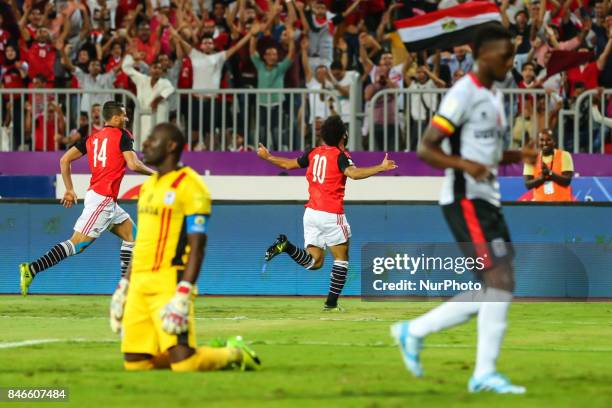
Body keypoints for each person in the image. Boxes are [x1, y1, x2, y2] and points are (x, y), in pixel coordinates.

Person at [392, 24, 537, 394]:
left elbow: (483, 154)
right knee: (500, 282)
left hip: (487, 197)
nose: (510, 61)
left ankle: (413, 331)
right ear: (482, 54)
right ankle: (483, 374)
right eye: (504, 54)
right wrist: (464, 167)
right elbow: (427, 147)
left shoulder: (493, 95)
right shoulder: (463, 93)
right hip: (465, 198)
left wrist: (516, 155)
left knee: (495, 287)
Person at [109, 122, 261, 372]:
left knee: (185, 364)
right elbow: (142, 242)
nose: (144, 144)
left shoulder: (191, 186)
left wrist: (183, 292)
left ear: (171, 146)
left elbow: (197, 246)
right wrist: (123, 286)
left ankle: (233, 353)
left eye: (151, 140)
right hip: (139, 282)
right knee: (136, 365)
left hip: (169, 281)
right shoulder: (149, 186)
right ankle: (208, 352)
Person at [257, 115, 396, 311]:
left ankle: (286, 247)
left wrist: (268, 156)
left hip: (311, 213)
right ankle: (331, 304)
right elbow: (353, 174)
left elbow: (288, 165)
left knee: (315, 262)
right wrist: (381, 168)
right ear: (343, 136)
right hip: (331, 214)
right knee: (341, 258)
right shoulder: (342, 155)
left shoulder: (313, 153)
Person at [19, 101, 155, 296]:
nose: (126, 119)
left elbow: (64, 159)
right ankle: (31, 270)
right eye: (124, 115)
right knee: (77, 244)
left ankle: (127, 290)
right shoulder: (123, 135)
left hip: (103, 199)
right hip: (102, 200)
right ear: (115, 117)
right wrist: (157, 175)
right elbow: (133, 164)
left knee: (133, 238)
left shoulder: (91, 138)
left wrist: (69, 189)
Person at [122, 53, 175, 147]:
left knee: (158, 143)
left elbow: (171, 89)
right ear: (150, 69)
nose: (157, 70)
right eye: (155, 67)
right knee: (139, 142)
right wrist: (133, 59)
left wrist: (158, 99)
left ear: (162, 71)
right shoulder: (142, 79)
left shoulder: (165, 83)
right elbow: (126, 67)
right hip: (142, 118)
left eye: (159, 68)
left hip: (158, 117)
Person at [524, 129, 574, 201]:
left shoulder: (565, 155)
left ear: (554, 141)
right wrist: (542, 178)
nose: (545, 143)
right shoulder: (531, 158)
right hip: (540, 206)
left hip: (563, 205)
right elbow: (528, 185)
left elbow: (567, 181)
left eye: (549, 140)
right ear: (538, 142)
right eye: (541, 140)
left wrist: (550, 174)